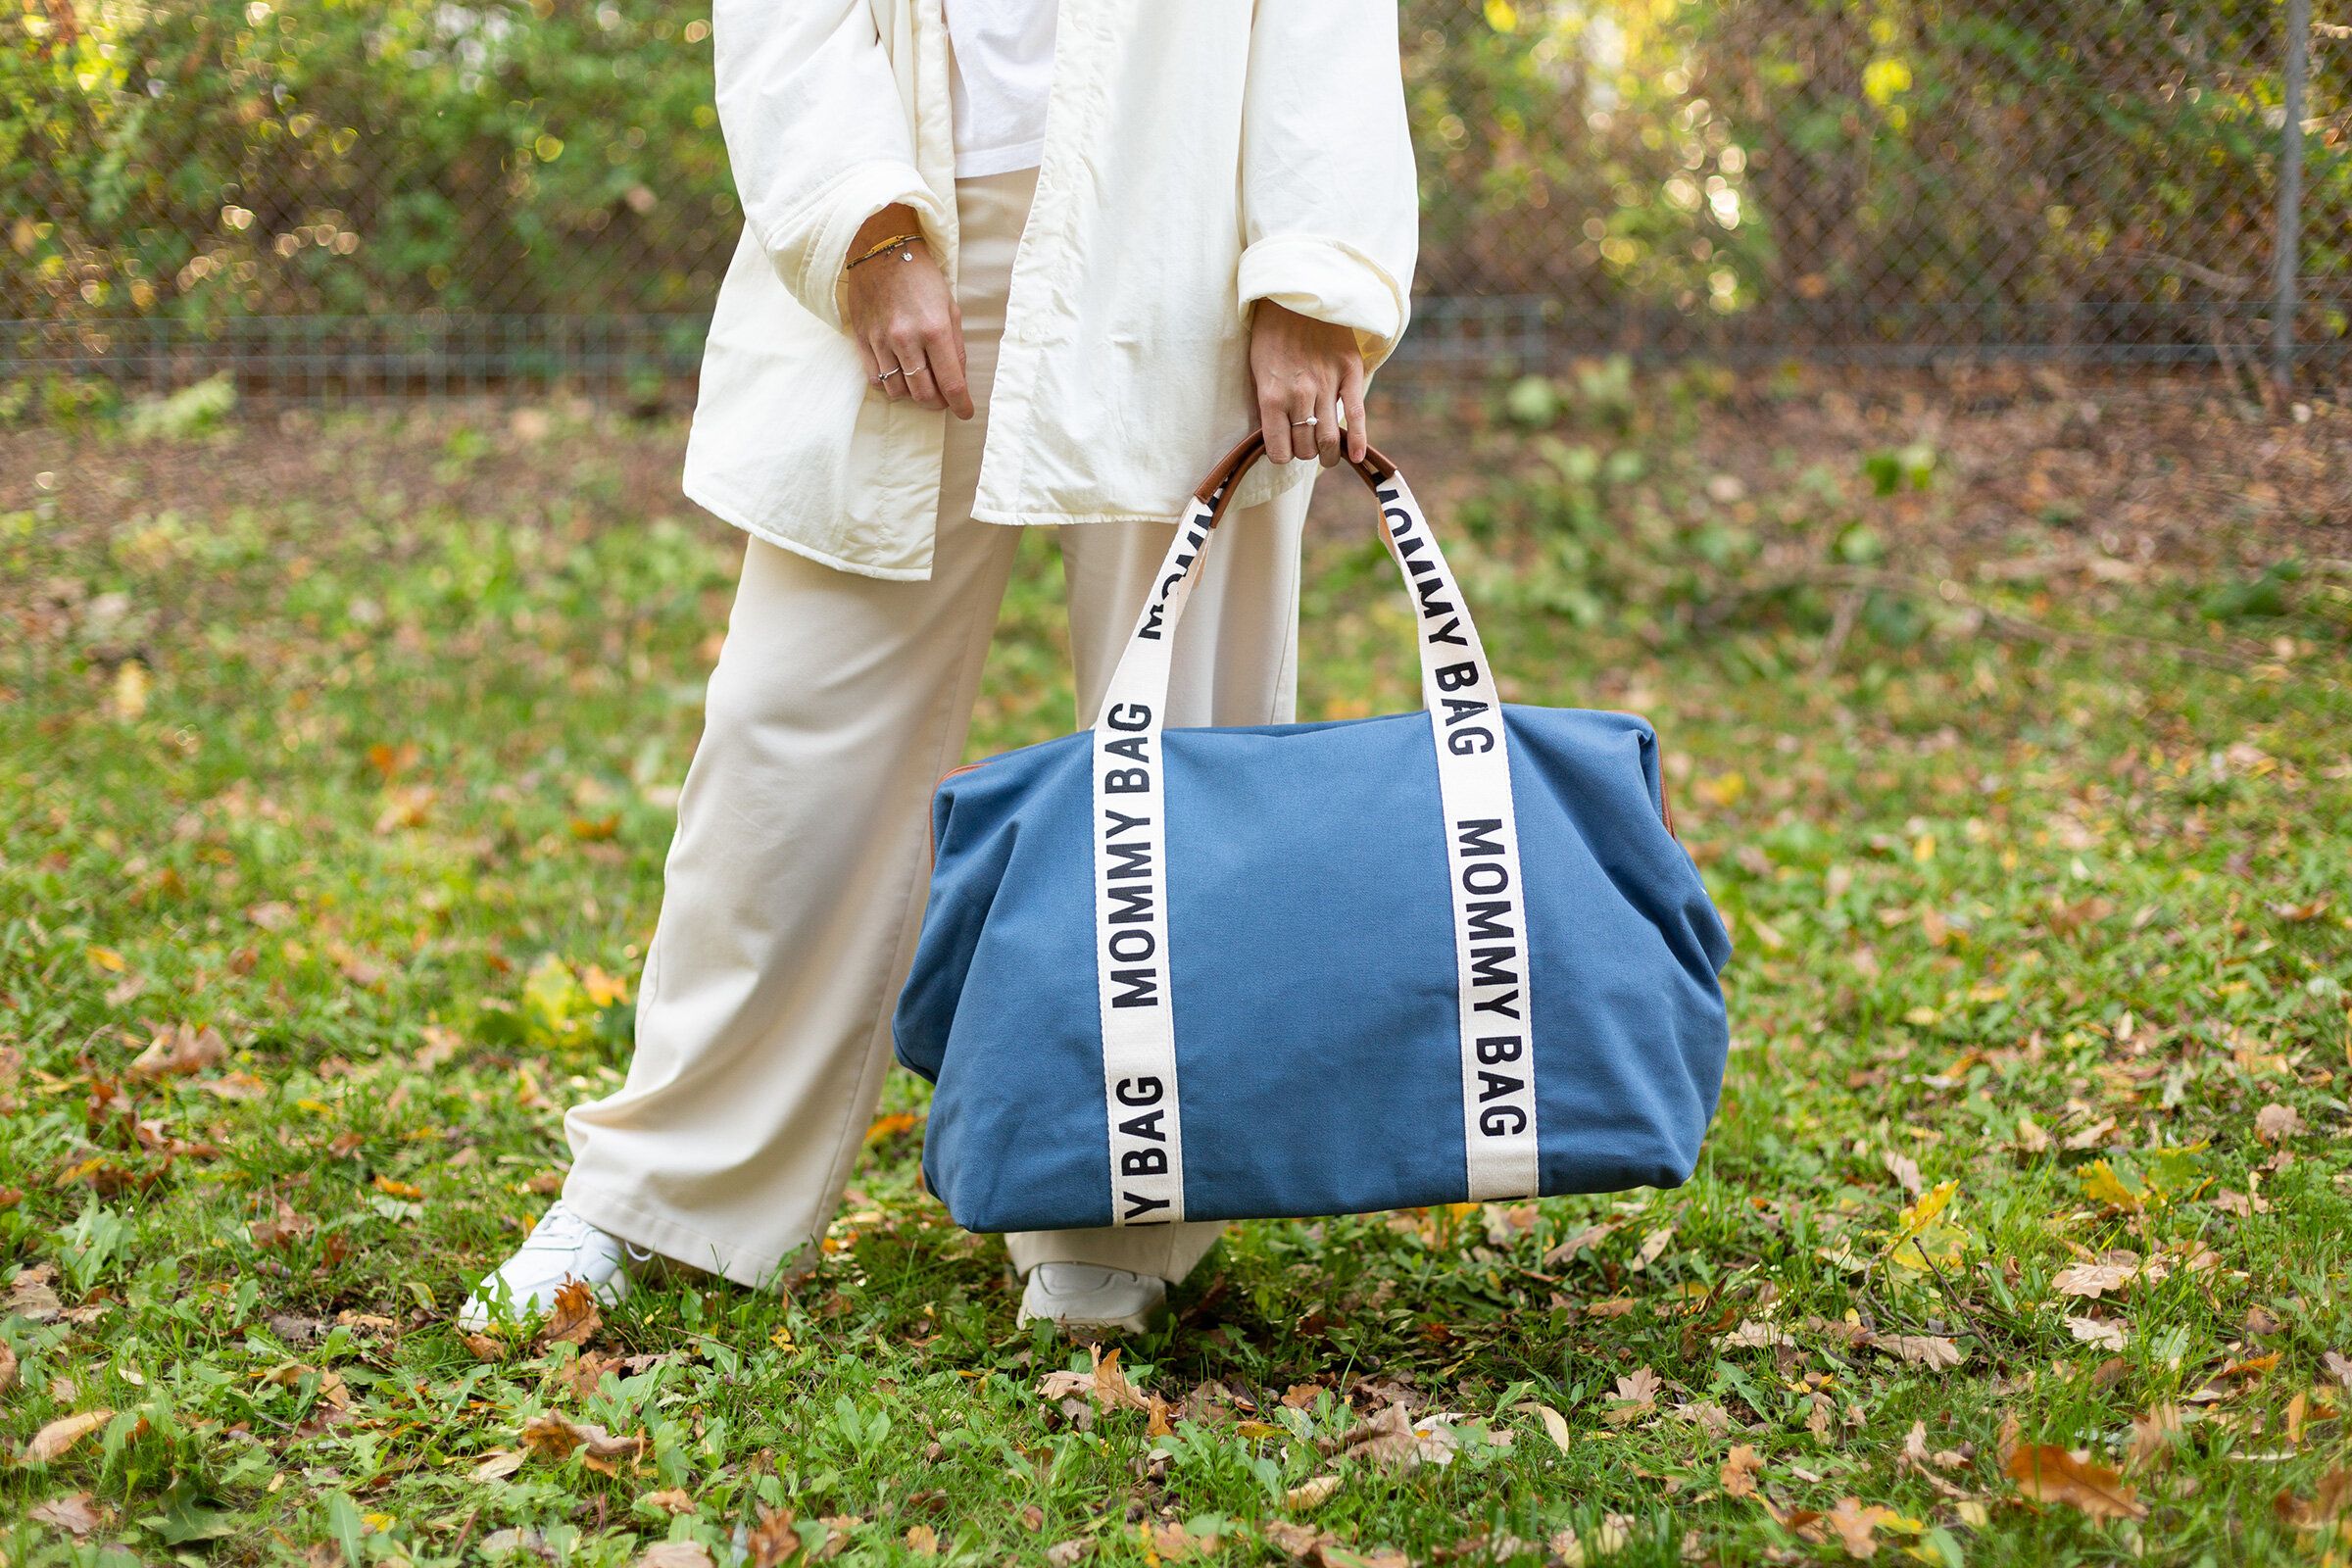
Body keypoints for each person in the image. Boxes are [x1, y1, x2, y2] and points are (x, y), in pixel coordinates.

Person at [461, 0, 1418, 1335]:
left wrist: (1312, 275)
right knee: (785, 732)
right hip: (922, 198)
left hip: (1189, 211)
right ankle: (660, 1186)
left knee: (1182, 745)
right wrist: (865, 226)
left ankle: (1121, 1214)